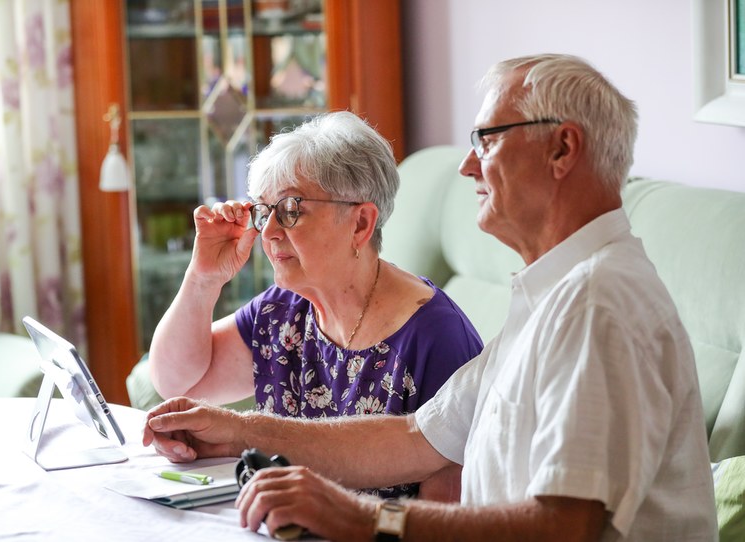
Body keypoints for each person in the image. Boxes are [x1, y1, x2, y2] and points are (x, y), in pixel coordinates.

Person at [142, 55, 717, 541]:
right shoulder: (554, 293)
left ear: (563, 149)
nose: (468, 165)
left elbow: (567, 525)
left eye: (487, 141)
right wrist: (239, 429)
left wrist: (363, 518)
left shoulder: (598, 304)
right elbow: (416, 437)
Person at [147, 111, 484, 499]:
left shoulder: (436, 338)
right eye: (264, 211)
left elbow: (444, 522)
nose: (269, 232)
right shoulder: (283, 311)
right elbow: (177, 381)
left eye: (291, 210)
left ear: (360, 223)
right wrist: (203, 278)